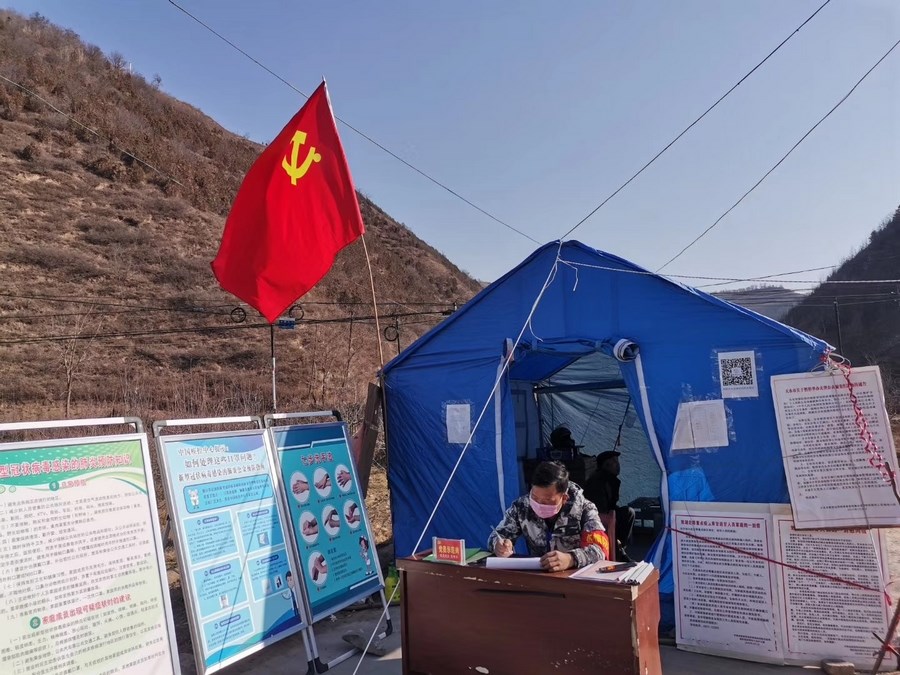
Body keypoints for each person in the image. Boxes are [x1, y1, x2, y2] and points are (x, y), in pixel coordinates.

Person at [487, 461, 609, 571]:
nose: (539, 504)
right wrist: (499, 545)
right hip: (537, 576)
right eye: (535, 497)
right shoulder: (521, 507)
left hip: (573, 578)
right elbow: (497, 536)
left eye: (547, 501)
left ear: (564, 498)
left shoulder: (584, 509)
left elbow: (600, 550)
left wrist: (571, 559)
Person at [584, 450, 636, 562]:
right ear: (606, 465)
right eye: (614, 462)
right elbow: (600, 507)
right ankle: (618, 550)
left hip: (607, 512)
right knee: (628, 513)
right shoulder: (599, 480)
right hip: (598, 516)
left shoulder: (610, 479)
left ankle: (620, 548)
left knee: (627, 512)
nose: (618, 465)